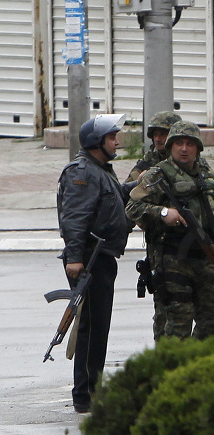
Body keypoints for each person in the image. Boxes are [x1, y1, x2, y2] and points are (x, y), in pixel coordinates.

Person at [126, 121, 214, 345]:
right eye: (179, 143)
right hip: (173, 260)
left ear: (198, 148)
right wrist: (162, 212)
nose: (184, 149)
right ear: (170, 147)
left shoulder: (205, 174)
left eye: (190, 144)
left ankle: (200, 362)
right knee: (177, 322)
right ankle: (174, 371)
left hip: (207, 256)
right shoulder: (158, 175)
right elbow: (132, 207)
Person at [56, 114, 135, 413]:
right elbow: (75, 218)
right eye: (112, 137)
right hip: (89, 260)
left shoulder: (100, 170)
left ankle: (92, 387)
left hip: (102, 258)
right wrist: (75, 258)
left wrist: (137, 184)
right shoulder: (82, 172)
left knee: (98, 327)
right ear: (96, 142)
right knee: (91, 328)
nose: (117, 142)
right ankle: (85, 395)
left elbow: (112, 199)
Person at [127, 110, 182, 340]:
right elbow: (129, 191)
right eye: (156, 134)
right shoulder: (149, 162)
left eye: (164, 134)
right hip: (160, 244)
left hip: (187, 243)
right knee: (164, 306)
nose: (159, 139)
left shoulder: (188, 161)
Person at [127, 111, 182, 183]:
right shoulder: (148, 160)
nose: (157, 139)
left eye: (162, 134)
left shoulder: (186, 160)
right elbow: (127, 188)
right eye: (155, 134)